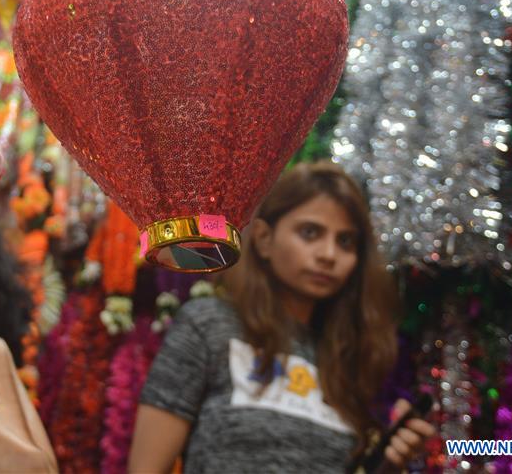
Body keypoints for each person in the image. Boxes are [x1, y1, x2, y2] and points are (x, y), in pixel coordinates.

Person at [128, 162, 435, 473]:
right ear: (263, 239)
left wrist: (387, 462)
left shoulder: (348, 357)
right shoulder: (209, 325)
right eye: (310, 232)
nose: (328, 254)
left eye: (345, 241)